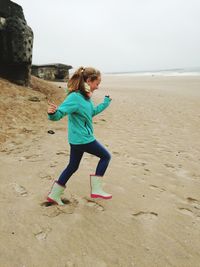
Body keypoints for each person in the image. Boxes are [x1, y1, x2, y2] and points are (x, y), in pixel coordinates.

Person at [47, 66, 112, 205]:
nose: (98, 87)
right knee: (106, 156)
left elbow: (91, 113)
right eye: (97, 83)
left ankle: (54, 194)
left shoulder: (85, 97)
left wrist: (105, 103)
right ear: (89, 80)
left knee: (72, 166)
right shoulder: (75, 97)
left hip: (77, 139)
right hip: (83, 139)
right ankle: (97, 189)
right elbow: (59, 114)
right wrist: (52, 113)